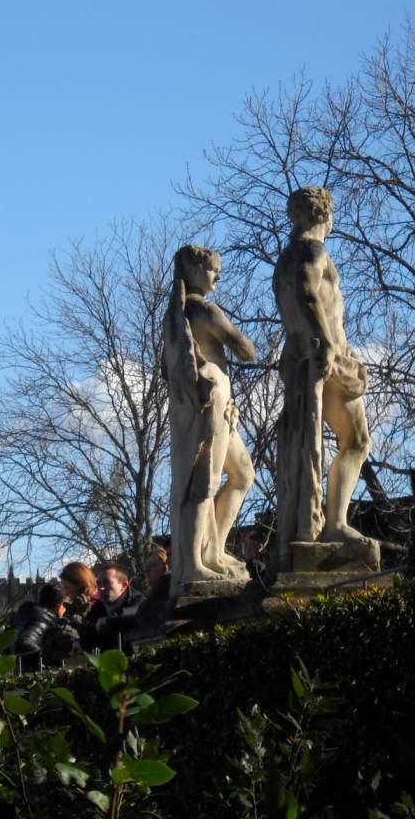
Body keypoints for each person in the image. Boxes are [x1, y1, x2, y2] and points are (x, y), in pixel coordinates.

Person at [272, 187, 374, 565]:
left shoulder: (285, 257)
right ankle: (335, 524)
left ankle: (323, 522)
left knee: (320, 443)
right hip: (324, 357)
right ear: (323, 216)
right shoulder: (312, 251)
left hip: (303, 357)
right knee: (358, 440)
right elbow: (308, 292)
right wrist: (328, 343)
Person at [164, 245, 257, 593]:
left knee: (243, 474)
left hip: (220, 403)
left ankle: (213, 551)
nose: (218, 276)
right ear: (194, 270)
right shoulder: (201, 309)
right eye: (213, 269)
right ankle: (194, 565)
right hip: (211, 403)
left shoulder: (178, 314)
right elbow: (244, 349)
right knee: (203, 484)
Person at [13, 581, 80, 672]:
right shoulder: (42, 619)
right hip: (31, 676)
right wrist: (51, 659)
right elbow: (24, 644)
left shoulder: (28, 612)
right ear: (59, 605)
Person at [83, 564, 140, 653]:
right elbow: (87, 637)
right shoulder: (97, 608)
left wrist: (109, 621)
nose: (101, 588)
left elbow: (134, 613)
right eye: (98, 583)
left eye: (106, 582)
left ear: (124, 585)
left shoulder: (138, 600)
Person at [58, 561, 98, 629]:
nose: (66, 593)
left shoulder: (99, 606)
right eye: (63, 588)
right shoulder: (74, 606)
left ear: (80, 584)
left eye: (67, 588)